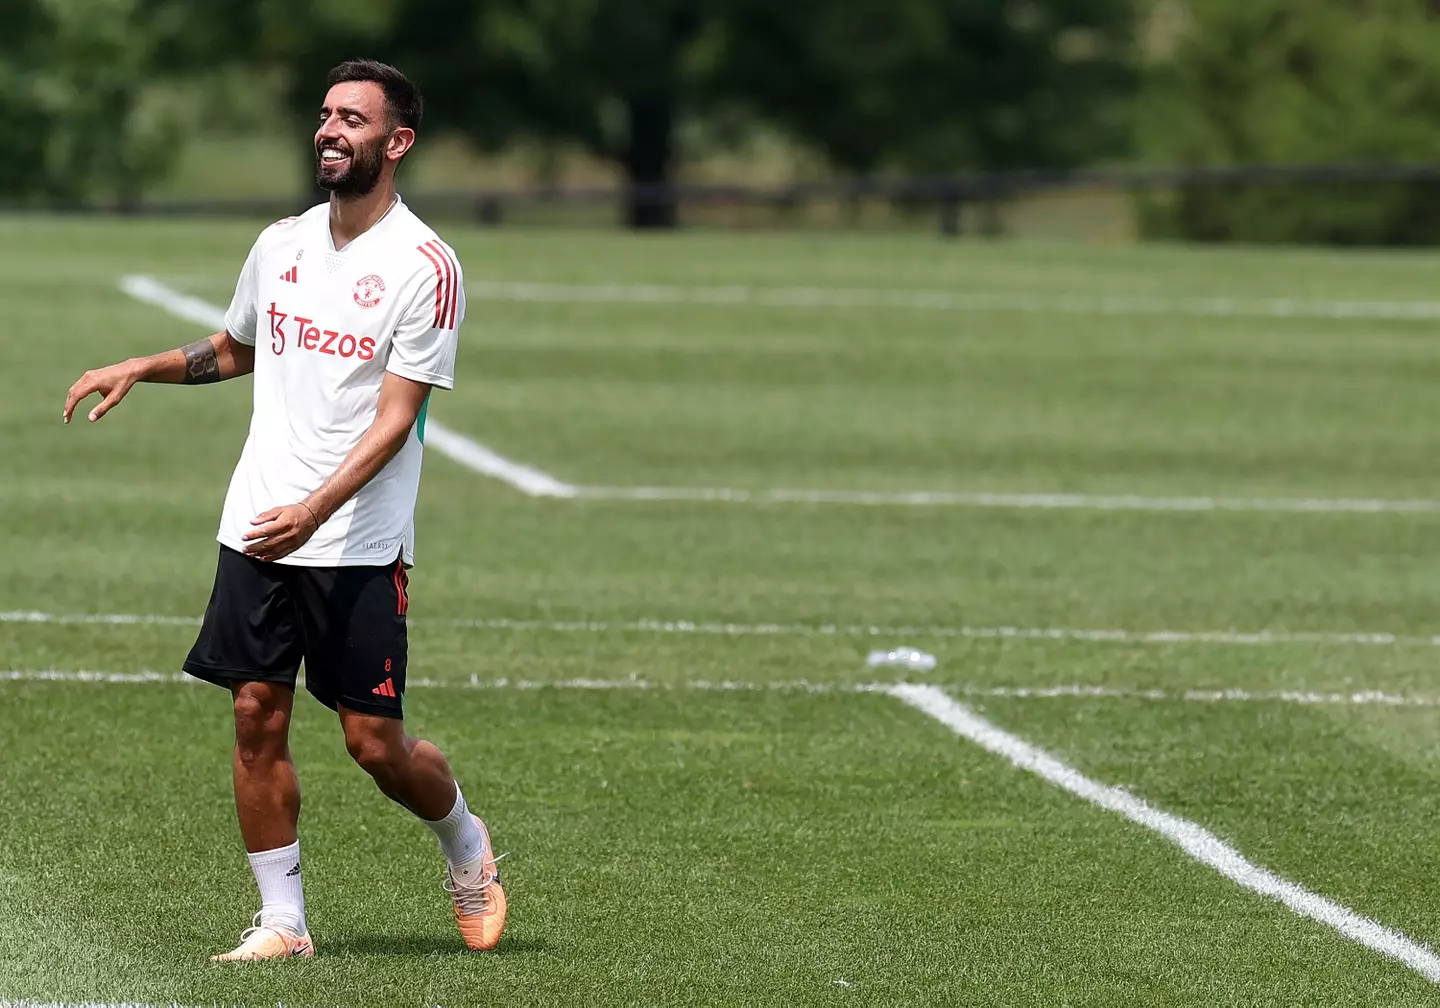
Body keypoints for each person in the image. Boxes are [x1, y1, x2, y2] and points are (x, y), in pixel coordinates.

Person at [62, 59, 504, 961]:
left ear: (397, 142)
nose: (331, 130)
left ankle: (465, 842)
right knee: (255, 714)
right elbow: (237, 346)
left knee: (375, 747)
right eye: (326, 114)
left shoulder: (427, 266)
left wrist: (316, 509)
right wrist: (140, 367)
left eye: (353, 118)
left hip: (356, 538)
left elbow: (398, 416)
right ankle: (283, 923)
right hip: (259, 521)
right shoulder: (282, 242)